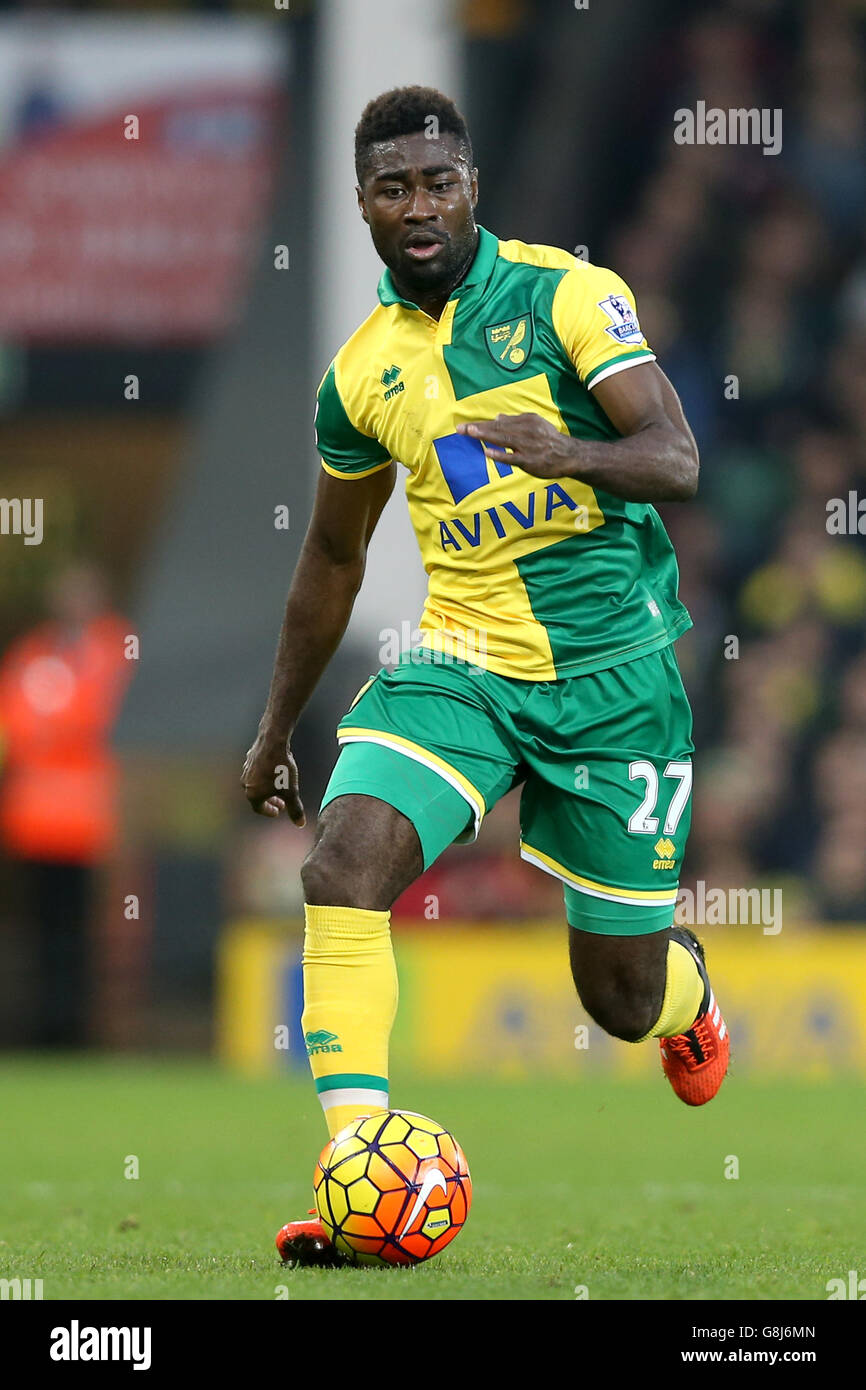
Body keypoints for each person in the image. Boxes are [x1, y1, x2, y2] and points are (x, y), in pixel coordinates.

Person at [241, 87, 729, 1266]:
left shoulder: (568, 295)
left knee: (615, 998)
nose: (418, 206)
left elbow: (675, 457)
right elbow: (332, 556)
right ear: (360, 203)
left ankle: (686, 999)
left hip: (613, 677)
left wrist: (569, 451)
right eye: (392, 187)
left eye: (438, 182)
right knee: (341, 865)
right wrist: (273, 731)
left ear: (473, 189)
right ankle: (361, 1170)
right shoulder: (359, 373)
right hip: (460, 662)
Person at [0, 562, 131, 1046]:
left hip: (91, 822)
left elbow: (103, 717)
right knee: (39, 930)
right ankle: (43, 1030)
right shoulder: (33, 653)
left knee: (85, 932)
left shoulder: (116, 648)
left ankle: (78, 1030)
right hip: (33, 823)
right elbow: (14, 727)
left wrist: (54, 730)